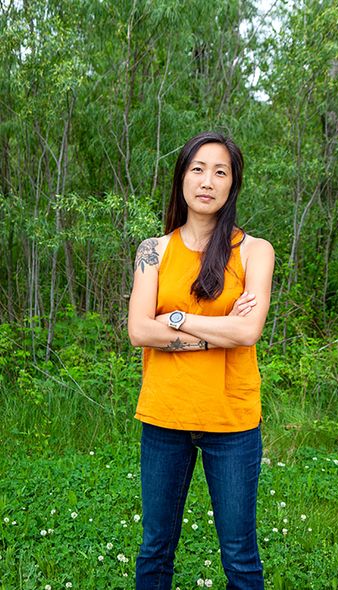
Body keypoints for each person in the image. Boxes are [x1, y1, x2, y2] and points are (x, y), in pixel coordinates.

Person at [127, 131, 275, 589]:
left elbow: (248, 331)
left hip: (231, 422)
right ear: (182, 178)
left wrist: (172, 318)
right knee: (155, 548)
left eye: (220, 171)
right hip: (165, 416)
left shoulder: (254, 251)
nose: (207, 180)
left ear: (233, 185)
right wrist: (215, 332)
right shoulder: (154, 251)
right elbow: (139, 331)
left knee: (239, 555)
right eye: (197, 168)